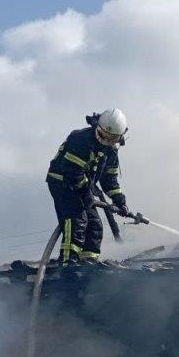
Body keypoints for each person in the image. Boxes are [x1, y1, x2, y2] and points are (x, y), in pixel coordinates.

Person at [46, 109, 134, 263]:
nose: (107, 141)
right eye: (103, 136)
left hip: (84, 187)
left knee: (95, 226)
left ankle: (88, 264)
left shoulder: (111, 152)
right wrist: (87, 194)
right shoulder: (80, 139)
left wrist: (119, 200)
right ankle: (68, 263)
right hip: (63, 183)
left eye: (112, 138)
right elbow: (73, 172)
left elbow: (109, 181)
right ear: (97, 127)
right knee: (76, 221)